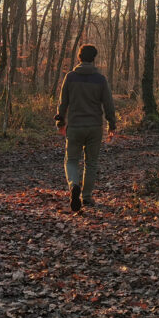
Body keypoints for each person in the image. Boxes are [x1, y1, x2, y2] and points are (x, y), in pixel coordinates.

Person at [54, 44, 116, 212]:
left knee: (72, 160)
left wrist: (60, 121)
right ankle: (86, 197)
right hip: (95, 126)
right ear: (93, 58)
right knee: (91, 162)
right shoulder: (100, 79)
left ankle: (74, 185)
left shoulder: (70, 77)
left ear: (79, 57)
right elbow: (108, 104)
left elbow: (63, 102)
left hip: (75, 126)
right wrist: (112, 124)